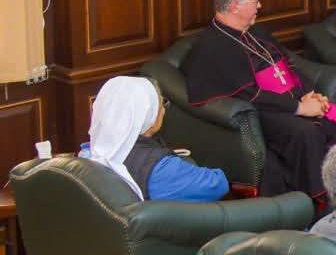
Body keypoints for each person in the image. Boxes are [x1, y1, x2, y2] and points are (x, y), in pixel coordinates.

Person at [182, 0, 336, 200]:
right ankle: (317, 202)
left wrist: (310, 94)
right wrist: (299, 108)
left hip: (290, 101)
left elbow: (288, 65)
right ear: (235, 6)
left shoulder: (255, 32)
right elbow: (250, 94)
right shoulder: (214, 46)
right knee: (307, 132)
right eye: (255, 1)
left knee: (330, 123)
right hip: (262, 111)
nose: (260, 6)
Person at [79, 75, 229, 201]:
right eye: (161, 104)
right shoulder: (160, 170)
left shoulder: (87, 154)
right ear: (148, 117)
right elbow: (217, 185)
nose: (163, 110)